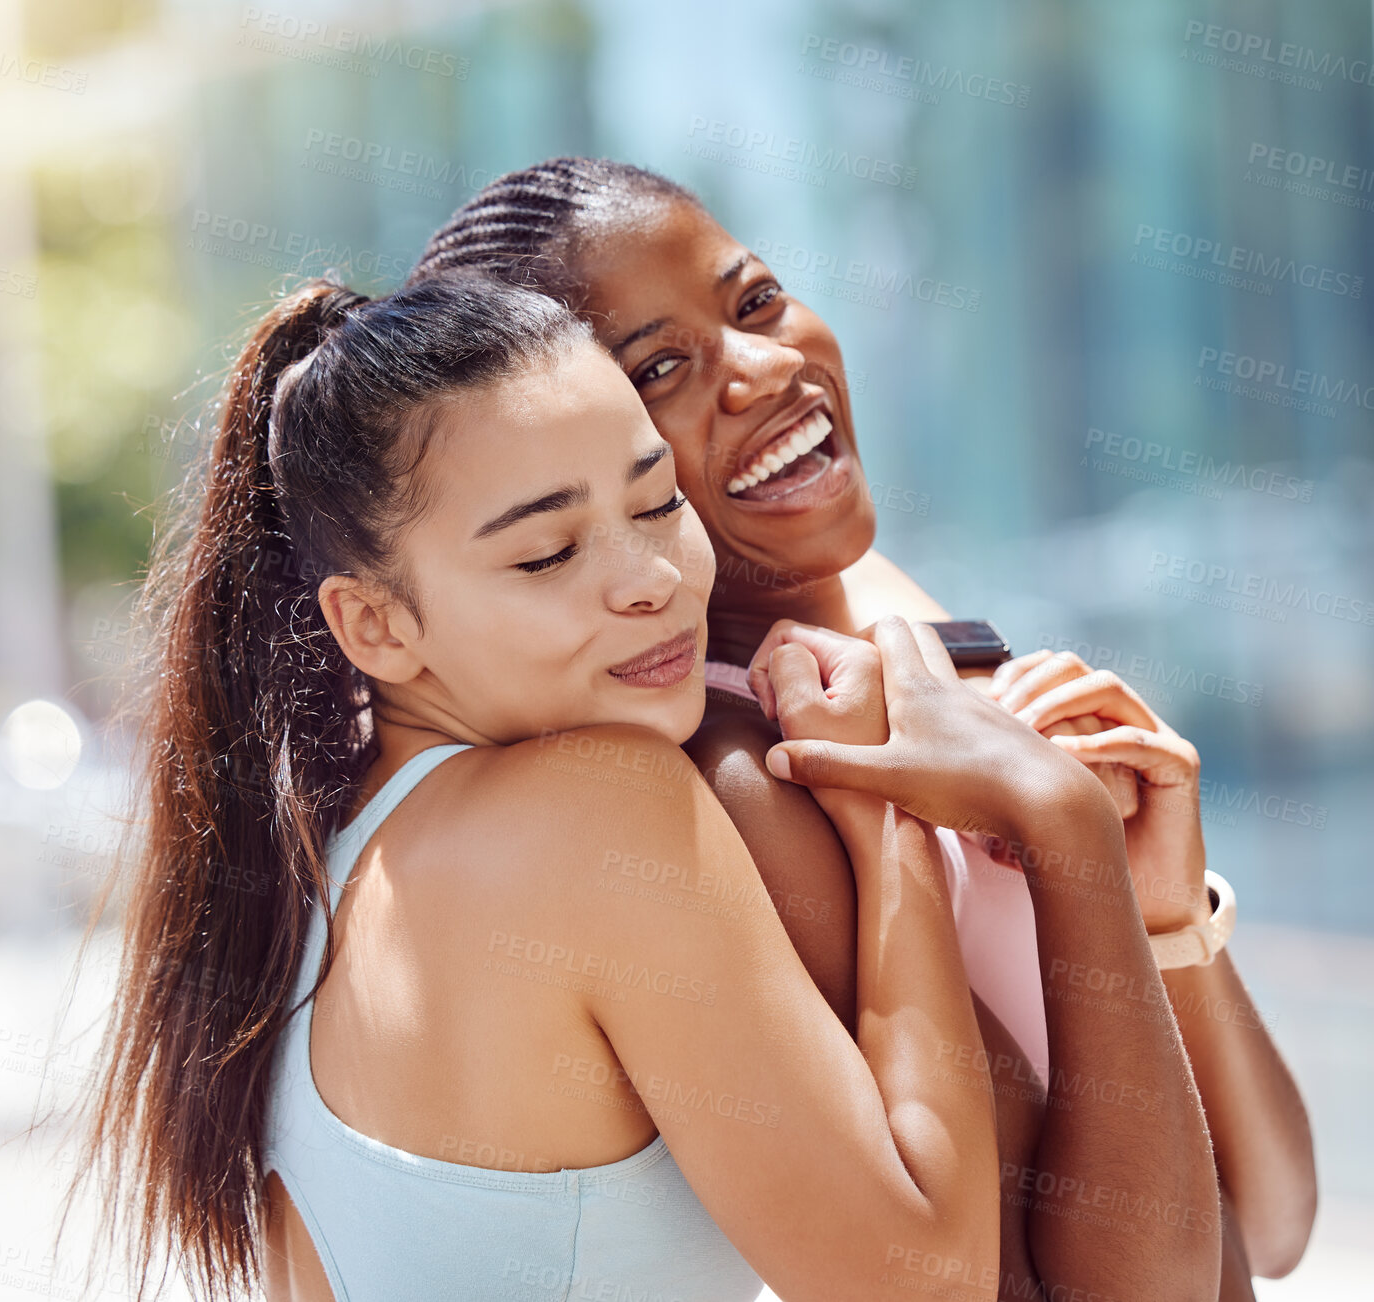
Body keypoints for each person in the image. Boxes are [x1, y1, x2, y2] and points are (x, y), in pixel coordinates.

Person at [67, 271, 1213, 1302]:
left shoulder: (325, 866)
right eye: (545, 554)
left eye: (657, 502)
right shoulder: (593, 810)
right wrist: (880, 808)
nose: (649, 580)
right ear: (375, 624)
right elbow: (924, 1282)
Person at [412, 157, 1316, 1297]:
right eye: (661, 369)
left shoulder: (897, 621)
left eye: (754, 301)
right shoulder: (760, 779)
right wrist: (1060, 824)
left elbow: (1276, 1220)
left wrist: (1170, 918)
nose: (765, 366)